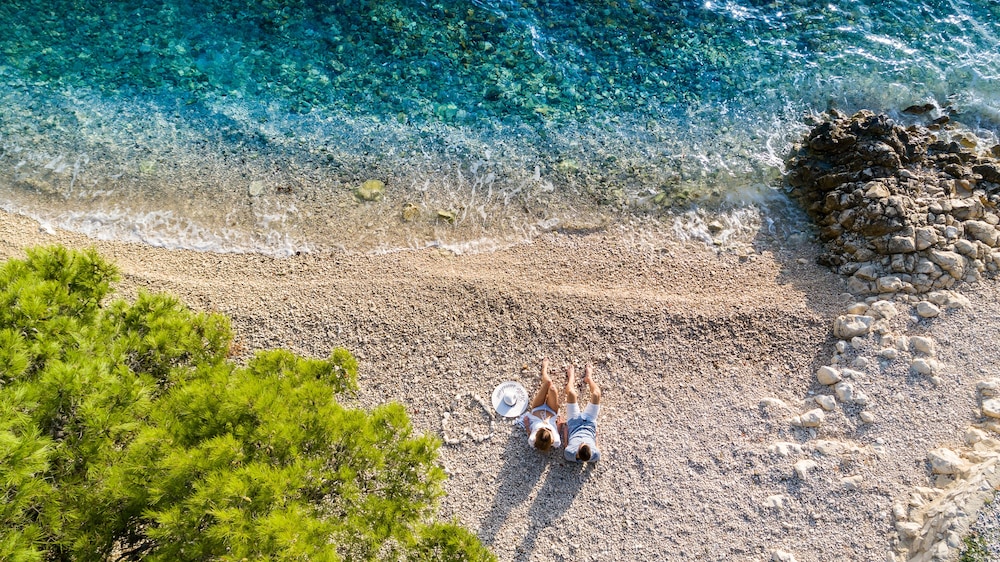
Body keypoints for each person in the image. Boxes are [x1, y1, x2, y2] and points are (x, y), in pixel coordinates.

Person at [560, 363, 601, 463]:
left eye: (582, 444)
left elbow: (566, 445)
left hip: (573, 422)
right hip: (590, 422)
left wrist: (565, 431)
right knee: (596, 394)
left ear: (578, 449)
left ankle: (571, 378)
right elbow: (597, 446)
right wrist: (596, 436)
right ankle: (589, 378)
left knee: (571, 393)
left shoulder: (570, 454)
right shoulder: (595, 455)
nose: (583, 441)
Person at [522, 357, 561, 452]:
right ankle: (544, 372)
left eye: (542, 428)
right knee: (552, 388)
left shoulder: (532, 440)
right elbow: (557, 431)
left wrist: (527, 424)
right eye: (548, 429)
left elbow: (529, 432)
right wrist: (559, 423)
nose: (544, 426)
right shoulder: (556, 441)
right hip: (552, 411)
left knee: (548, 383)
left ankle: (544, 370)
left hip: (537, 408)